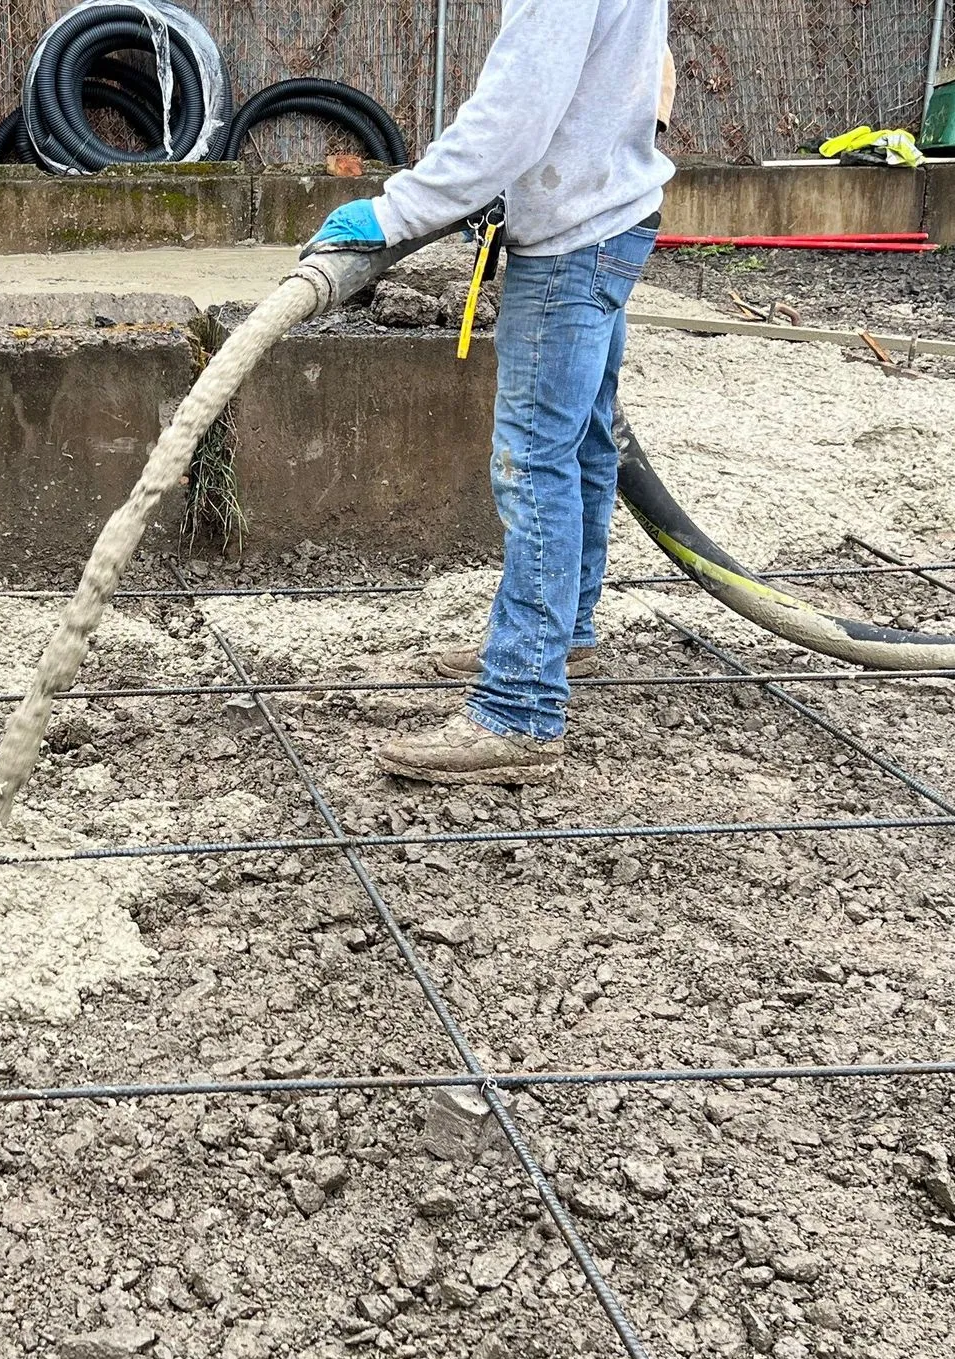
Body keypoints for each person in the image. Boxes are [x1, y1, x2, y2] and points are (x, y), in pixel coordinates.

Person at [302, 0, 676, 786]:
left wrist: (396, 211)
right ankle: (562, 638)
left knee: (534, 464)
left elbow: (515, 112)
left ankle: (519, 707)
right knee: (585, 442)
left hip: (573, 238)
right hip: (615, 215)